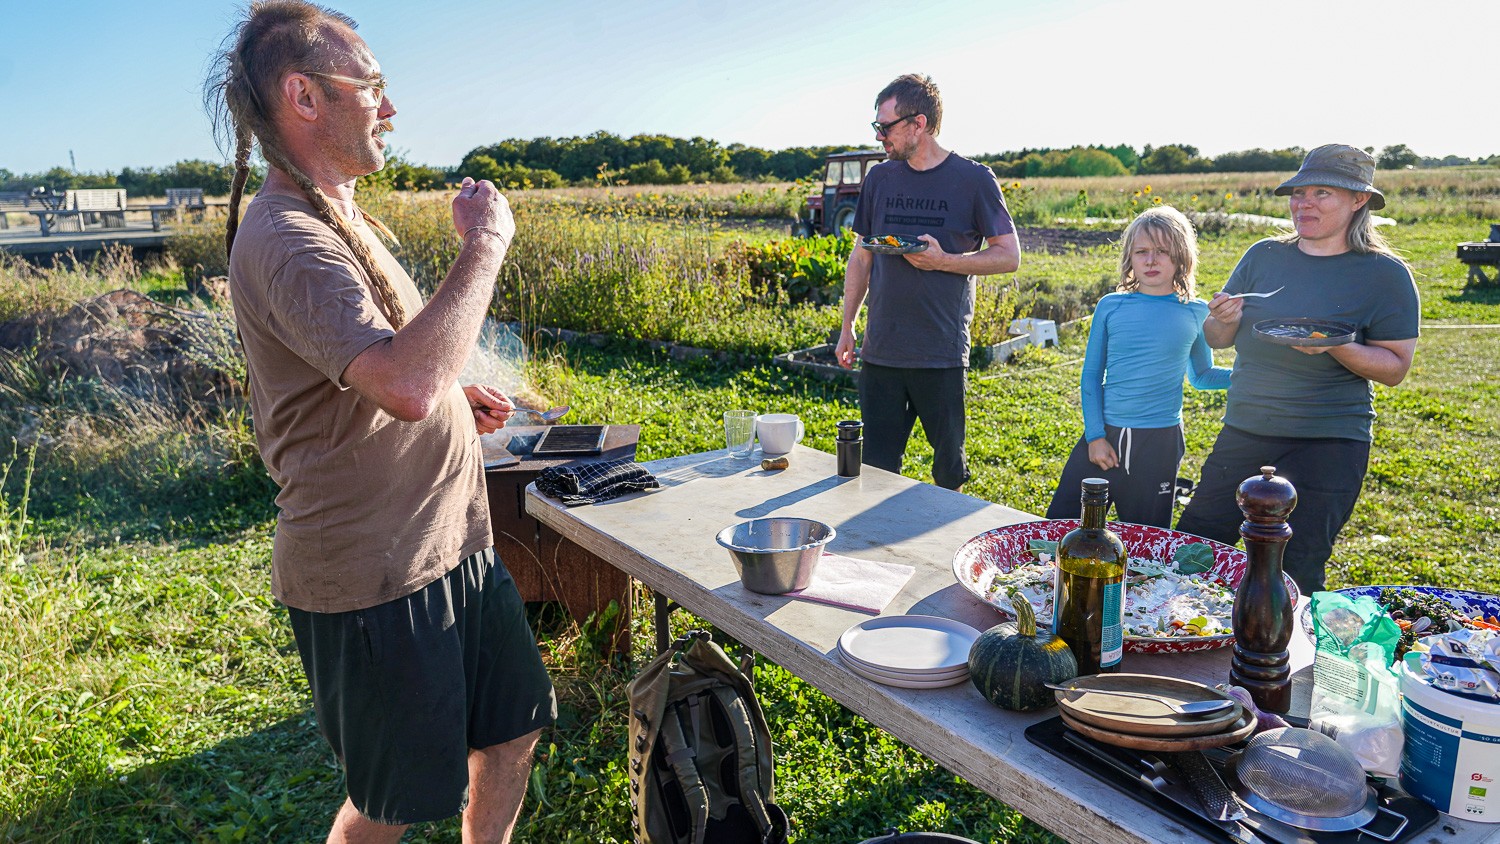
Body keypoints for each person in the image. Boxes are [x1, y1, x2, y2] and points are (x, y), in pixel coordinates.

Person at [207, 3, 555, 840]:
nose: (390, 109)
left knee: (513, 732)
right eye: (374, 87)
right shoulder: (288, 236)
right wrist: (486, 244)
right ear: (305, 95)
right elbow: (402, 382)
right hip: (374, 577)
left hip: (455, 546)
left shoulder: (344, 211)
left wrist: (448, 396)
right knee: (392, 803)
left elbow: (386, 370)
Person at [1176, 144, 1419, 593]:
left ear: (1359, 200)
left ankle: (1275, 658)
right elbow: (1217, 338)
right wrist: (1221, 319)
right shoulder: (1264, 255)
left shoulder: (1384, 274)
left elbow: (1394, 367)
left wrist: (1334, 347)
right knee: (1197, 544)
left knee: (1297, 564)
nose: (1304, 203)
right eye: (1298, 192)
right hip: (1247, 428)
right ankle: (1178, 640)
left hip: (1330, 440)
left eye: (1322, 192)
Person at [834, 73, 1020, 491]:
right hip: (881, 351)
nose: (880, 136)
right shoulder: (879, 179)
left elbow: (1009, 256)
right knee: (878, 470)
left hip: (941, 354)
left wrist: (944, 261)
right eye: (876, 127)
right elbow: (861, 257)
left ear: (918, 124)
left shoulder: (974, 180)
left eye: (886, 127)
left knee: (948, 473)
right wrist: (847, 326)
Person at [1045, 206, 1230, 527]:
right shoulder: (1111, 306)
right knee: (1059, 528)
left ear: (1181, 257)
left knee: (1149, 535)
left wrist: (1249, 377)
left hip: (1160, 442)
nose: (1151, 260)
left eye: (1162, 251)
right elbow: (1090, 376)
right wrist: (1095, 437)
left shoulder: (1197, 312)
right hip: (1106, 435)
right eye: (1141, 251)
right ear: (1130, 257)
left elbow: (1201, 377)